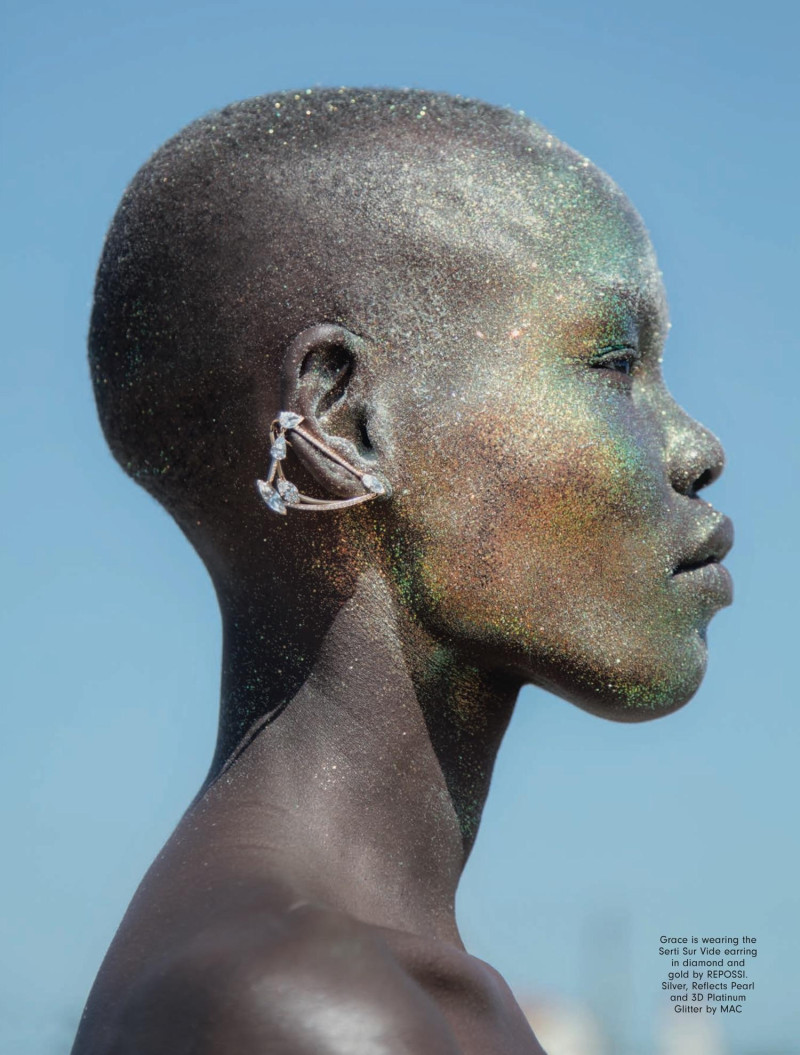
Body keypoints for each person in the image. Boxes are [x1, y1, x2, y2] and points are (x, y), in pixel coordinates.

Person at [72, 87, 733, 1054]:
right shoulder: (301, 1011)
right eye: (614, 363)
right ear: (343, 423)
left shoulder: (399, 989)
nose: (696, 446)